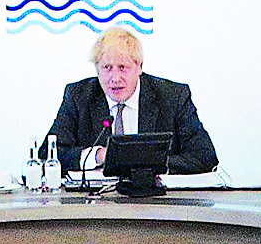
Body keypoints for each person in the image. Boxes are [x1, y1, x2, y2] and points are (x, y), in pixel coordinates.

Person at [47, 27, 217, 176]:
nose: (115, 78)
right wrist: (99, 155)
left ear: (139, 67)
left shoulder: (172, 97)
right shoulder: (79, 97)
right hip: (97, 200)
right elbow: (48, 156)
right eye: (107, 68)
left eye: (123, 68)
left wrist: (143, 161)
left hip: (154, 199)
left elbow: (204, 157)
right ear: (97, 69)